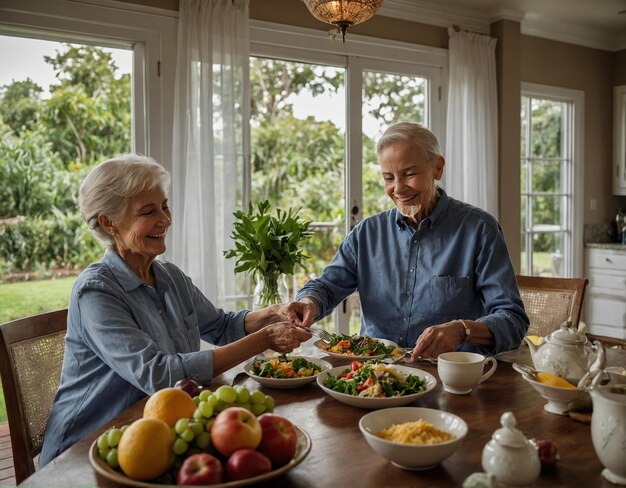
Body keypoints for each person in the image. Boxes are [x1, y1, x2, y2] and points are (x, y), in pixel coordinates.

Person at [40, 155, 311, 465]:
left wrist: (269, 314)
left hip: (156, 435)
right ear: (108, 222)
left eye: (164, 207)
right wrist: (264, 339)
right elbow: (158, 375)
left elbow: (220, 326)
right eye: (148, 212)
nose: (166, 220)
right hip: (87, 450)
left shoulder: (169, 276)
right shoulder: (96, 291)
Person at [283, 122, 528, 360]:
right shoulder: (367, 233)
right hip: (374, 377)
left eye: (409, 174)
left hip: (450, 381)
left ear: (437, 168)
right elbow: (326, 287)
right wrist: (309, 303)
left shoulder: (479, 229)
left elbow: (513, 320)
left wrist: (462, 329)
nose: (398, 188)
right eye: (388, 178)